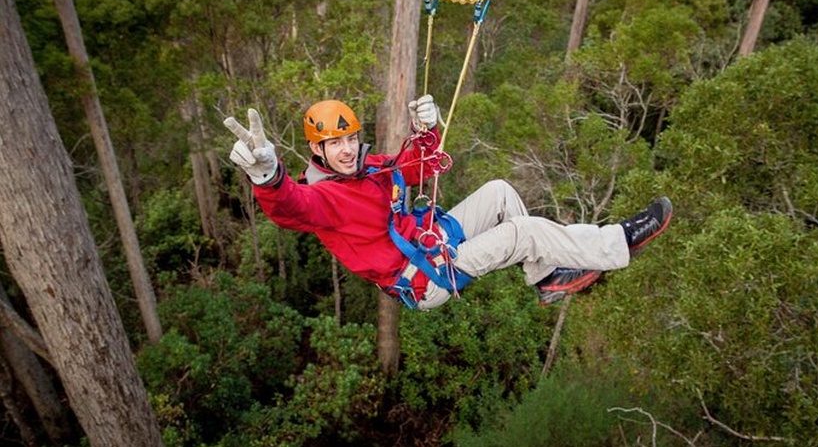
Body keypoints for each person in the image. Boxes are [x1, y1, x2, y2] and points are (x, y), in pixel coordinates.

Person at [224, 96, 672, 310]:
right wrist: (267, 175)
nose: (345, 149)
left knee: (499, 192)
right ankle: (620, 242)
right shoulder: (323, 197)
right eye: (333, 143)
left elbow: (419, 167)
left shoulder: (368, 167)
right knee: (525, 232)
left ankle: (549, 278)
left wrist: (427, 131)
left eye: (350, 138)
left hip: (434, 242)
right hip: (424, 279)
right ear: (316, 152)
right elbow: (290, 207)